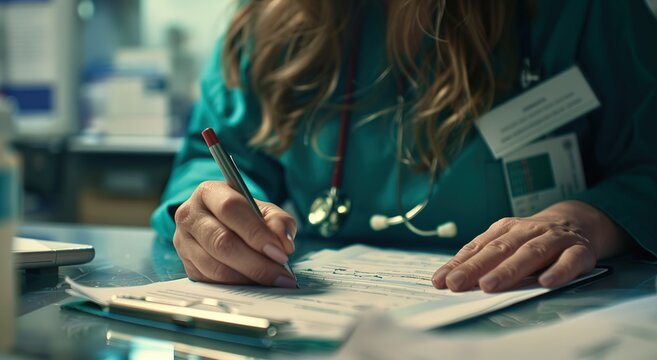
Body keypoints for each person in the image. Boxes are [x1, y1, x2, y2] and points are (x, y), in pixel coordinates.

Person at [152, 0, 657, 292]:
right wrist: (217, 214)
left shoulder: (584, 11)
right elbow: (218, 157)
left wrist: (590, 219)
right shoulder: (268, 18)